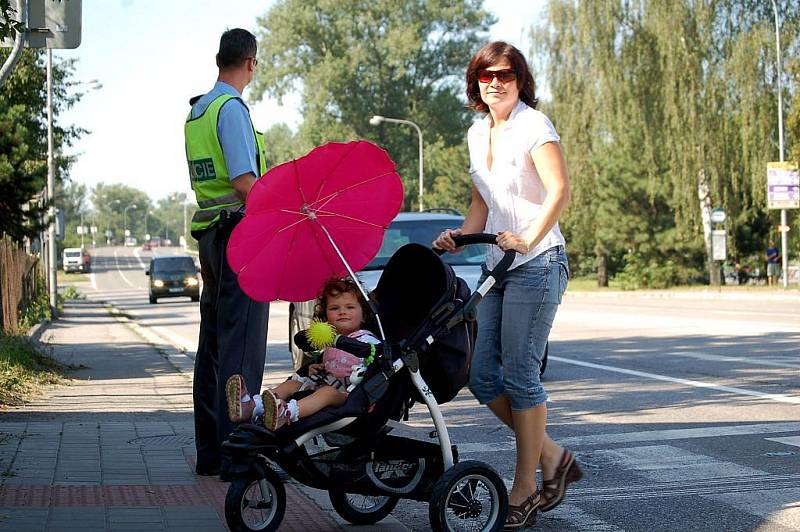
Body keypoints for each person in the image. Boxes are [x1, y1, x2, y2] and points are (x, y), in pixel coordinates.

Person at [433, 41, 581, 529]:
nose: (494, 82)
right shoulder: (477, 134)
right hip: (496, 265)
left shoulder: (533, 125)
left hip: (538, 261)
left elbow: (559, 191)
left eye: (505, 74)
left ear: (520, 80)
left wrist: (528, 238)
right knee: (480, 376)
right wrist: (459, 234)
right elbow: (483, 203)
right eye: (485, 75)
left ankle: (525, 488)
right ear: (475, 83)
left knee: (520, 373)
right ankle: (553, 454)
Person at [184, 28, 270, 476]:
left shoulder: (198, 110)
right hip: (239, 235)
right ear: (250, 62)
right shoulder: (231, 109)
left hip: (211, 237)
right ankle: (238, 451)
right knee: (242, 346)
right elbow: (243, 181)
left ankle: (210, 450)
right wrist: (280, 210)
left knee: (214, 343)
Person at [226, 278, 380, 431]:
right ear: (325, 317)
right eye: (334, 308)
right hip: (327, 383)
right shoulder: (331, 342)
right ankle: (253, 406)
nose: (342, 312)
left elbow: (377, 362)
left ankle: (287, 413)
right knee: (295, 381)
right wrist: (317, 368)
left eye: (350, 307)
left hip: (350, 396)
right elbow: (331, 365)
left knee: (326, 393)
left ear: (364, 314)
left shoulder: (365, 340)